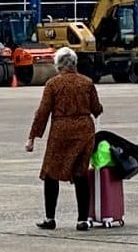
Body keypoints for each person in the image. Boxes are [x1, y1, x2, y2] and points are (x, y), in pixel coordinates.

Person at [25, 47, 106, 229]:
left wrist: (32, 137)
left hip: (61, 131)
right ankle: (82, 220)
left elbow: (43, 112)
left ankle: (50, 218)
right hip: (84, 130)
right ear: (75, 63)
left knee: (50, 172)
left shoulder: (53, 84)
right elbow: (97, 108)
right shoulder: (87, 83)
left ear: (58, 65)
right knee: (81, 173)